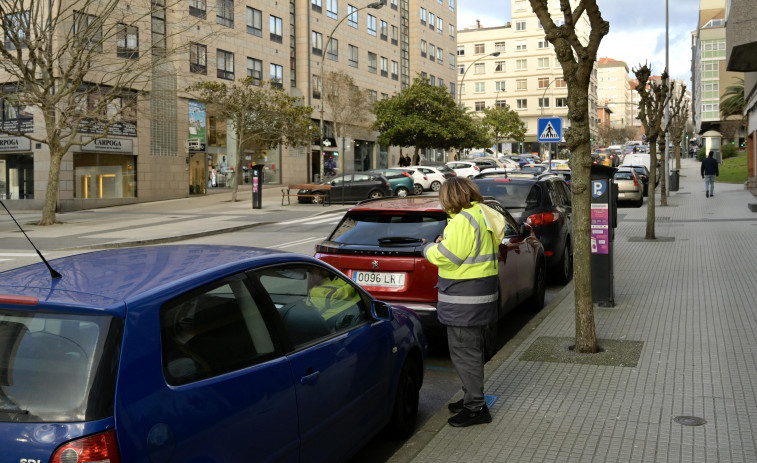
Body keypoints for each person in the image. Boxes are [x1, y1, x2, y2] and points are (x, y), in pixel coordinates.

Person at [421, 176, 503, 428]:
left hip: (463, 300)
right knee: (471, 351)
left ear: (450, 197)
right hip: (479, 296)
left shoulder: (462, 221)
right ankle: (471, 396)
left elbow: (449, 257)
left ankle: (476, 407)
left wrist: (427, 248)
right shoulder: (481, 214)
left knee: (464, 354)